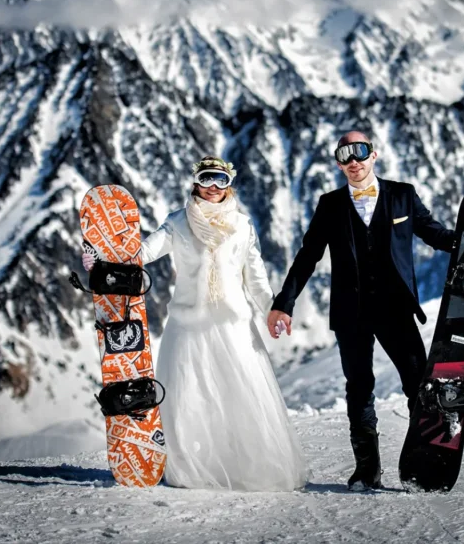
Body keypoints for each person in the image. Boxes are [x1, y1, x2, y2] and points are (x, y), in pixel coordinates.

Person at [267, 132, 464, 491]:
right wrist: (283, 303)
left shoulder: (403, 195)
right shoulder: (330, 204)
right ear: (339, 163)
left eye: (361, 153)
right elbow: (308, 255)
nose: (354, 161)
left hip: (395, 309)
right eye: (345, 155)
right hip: (350, 312)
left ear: (374, 155)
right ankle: (366, 469)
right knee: (359, 388)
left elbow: (437, 235)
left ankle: (429, 455)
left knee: (418, 381)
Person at [83, 156, 309, 492]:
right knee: (190, 398)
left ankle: (243, 467)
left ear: (229, 183)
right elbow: (142, 252)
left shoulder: (243, 226)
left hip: (233, 325)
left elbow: (256, 280)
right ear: (195, 182)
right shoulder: (178, 222)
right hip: (189, 325)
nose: (213, 187)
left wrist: (272, 311)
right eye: (207, 179)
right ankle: (190, 468)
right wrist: (102, 259)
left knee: (240, 395)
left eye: (220, 179)